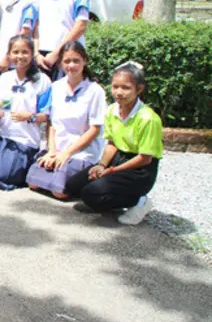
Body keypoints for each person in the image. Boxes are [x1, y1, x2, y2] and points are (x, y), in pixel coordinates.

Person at [65, 62, 162, 225]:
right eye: (115, 86)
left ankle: (139, 201)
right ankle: (103, 200)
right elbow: (111, 143)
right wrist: (102, 165)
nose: (119, 92)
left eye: (126, 88)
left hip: (140, 169)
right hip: (118, 158)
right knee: (73, 186)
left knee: (91, 193)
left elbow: (145, 158)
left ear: (139, 89)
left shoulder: (148, 118)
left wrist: (112, 171)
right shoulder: (111, 110)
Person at [26, 41, 107, 198]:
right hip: (59, 150)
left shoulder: (95, 91)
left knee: (59, 192)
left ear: (85, 61)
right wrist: (52, 151)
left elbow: (94, 130)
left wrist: (67, 153)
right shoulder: (56, 87)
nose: (71, 65)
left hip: (82, 153)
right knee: (33, 182)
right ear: (61, 63)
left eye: (76, 61)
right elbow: (52, 123)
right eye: (67, 61)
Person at [0, 35, 51, 190]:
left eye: (25, 52)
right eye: (15, 52)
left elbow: (47, 115)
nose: (20, 56)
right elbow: (3, 112)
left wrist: (29, 116)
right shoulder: (5, 78)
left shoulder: (42, 80)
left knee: (0, 175)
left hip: (24, 141)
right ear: (9, 55)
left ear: (32, 54)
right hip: (2, 136)